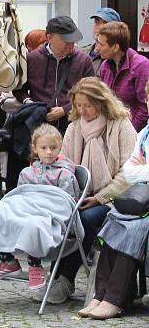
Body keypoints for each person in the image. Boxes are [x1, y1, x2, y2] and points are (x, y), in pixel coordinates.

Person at [42, 77, 137, 305]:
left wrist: (100, 197)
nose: (82, 110)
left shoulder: (122, 125)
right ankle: (55, 276)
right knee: (60, 216)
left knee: (84, 220)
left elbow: (130, 172)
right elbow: (64, 165)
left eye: (87, 105)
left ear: (101, 102)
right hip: (79, 196)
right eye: (78, 105)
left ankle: (64, 278)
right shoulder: (75, 127)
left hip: (114, 197)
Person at [0, 124, 80, 290]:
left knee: (34, 224)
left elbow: (65, 202)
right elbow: (20, 198)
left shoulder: (65, 174)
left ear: (60, 147)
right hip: (27, 210)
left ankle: (35, 264)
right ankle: (7, 260)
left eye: (53, 148)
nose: (49, 152)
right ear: (35, 149)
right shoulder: (27, 173)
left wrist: (44, 206)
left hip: (48, 213)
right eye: (44, 148)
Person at [83, 111, 149, 319]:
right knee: (114, 219)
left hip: (144, 199)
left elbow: (135, 170)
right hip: (141, 197)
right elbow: (129, 171)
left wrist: (142, 168)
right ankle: (100, 294)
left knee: (135, 229)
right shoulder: (145, 133)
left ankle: (115, 299)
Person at [13, 16, 94, 133]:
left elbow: (92, 93)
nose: (71, 45)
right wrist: (30, 103)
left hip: (74, 126)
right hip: (40, 127)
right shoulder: (32, 59)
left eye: (73, 41)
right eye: (66, 41)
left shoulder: (83, 60)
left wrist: (65, 109)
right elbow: (19, 89)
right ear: (49, 37)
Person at [97, 21, 149, 132]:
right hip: (110, 130)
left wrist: (128, 133)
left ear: (115, 47)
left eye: (101, 44)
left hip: (133, 132)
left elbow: (144, 107)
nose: (97, 48)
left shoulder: (141, 66)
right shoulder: (105, 67)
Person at [81, 7, 121, 75]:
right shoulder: (81, 53)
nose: (100, 28)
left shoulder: (117, 57)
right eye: (97, 22)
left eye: (105, 24)